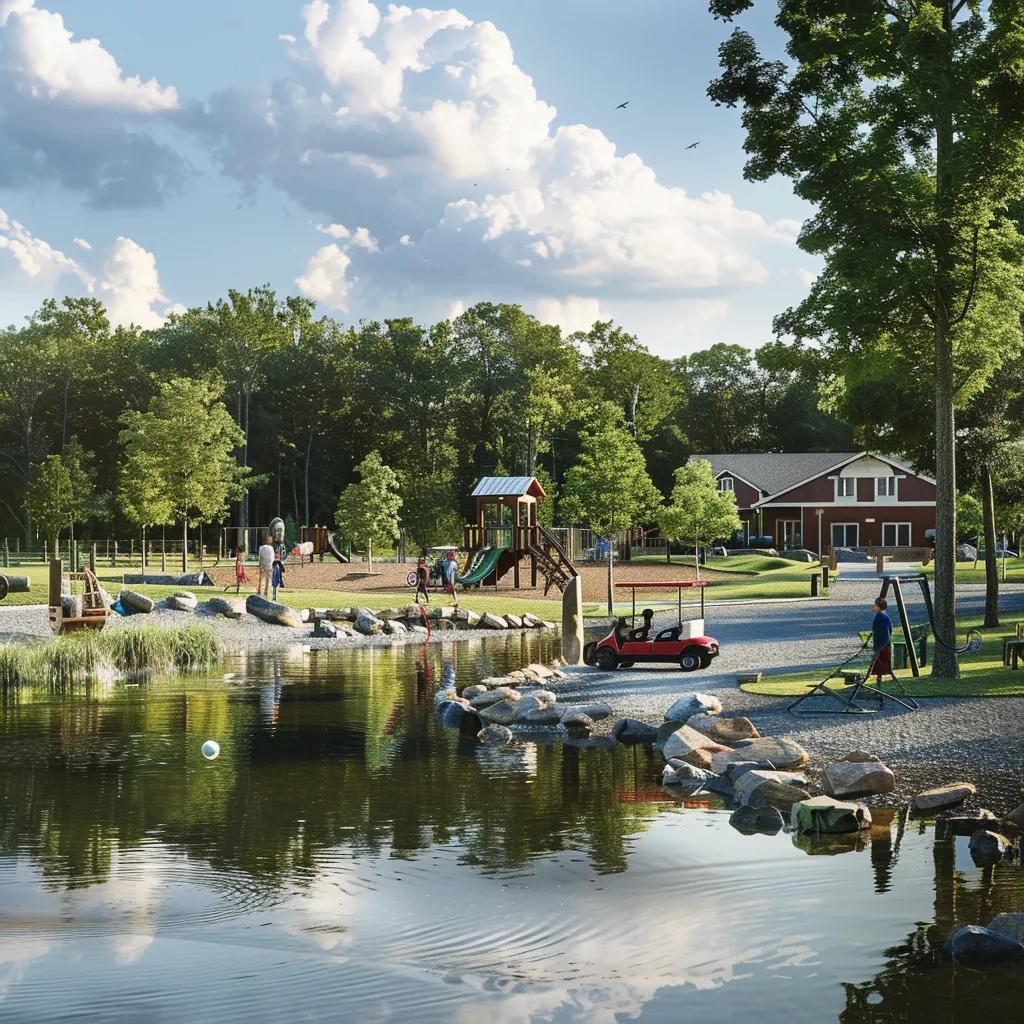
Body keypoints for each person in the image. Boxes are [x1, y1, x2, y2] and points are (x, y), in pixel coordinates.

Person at [871, 597, 893, 682]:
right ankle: (878, 683)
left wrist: (880, 647)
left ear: (879, 606)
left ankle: (879, 683)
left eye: (875, 605)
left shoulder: (882, 617)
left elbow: (885, 634)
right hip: (881, 645)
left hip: (882, 646)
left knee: (881, 667)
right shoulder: (881, 616)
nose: (874, 607)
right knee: (879, 669)